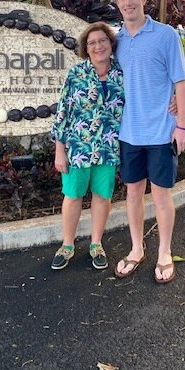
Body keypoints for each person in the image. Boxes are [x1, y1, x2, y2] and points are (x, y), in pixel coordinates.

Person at [113, 0, 185, 284]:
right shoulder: (114, 40)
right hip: (128, 132)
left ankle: (164, 252)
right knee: (132, 193)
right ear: (117, 3)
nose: (128, 2)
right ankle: (136, 249)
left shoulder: (166, 35)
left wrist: (182, 125)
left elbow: (181, 83)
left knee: (160, 195)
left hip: (161, 131)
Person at [51, 22, 124, 271]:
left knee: (102, 197)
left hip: (108, 147)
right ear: (86, 48)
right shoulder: (77, 74)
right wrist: (59, 150)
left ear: (110, 43)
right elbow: (63, 112)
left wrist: (172, 100)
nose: (98, 46)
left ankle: (96, 244)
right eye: (92, 43)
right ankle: (68, 245)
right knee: (73, 196)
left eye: (102, 40)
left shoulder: (121, 73)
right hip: (78, 147)